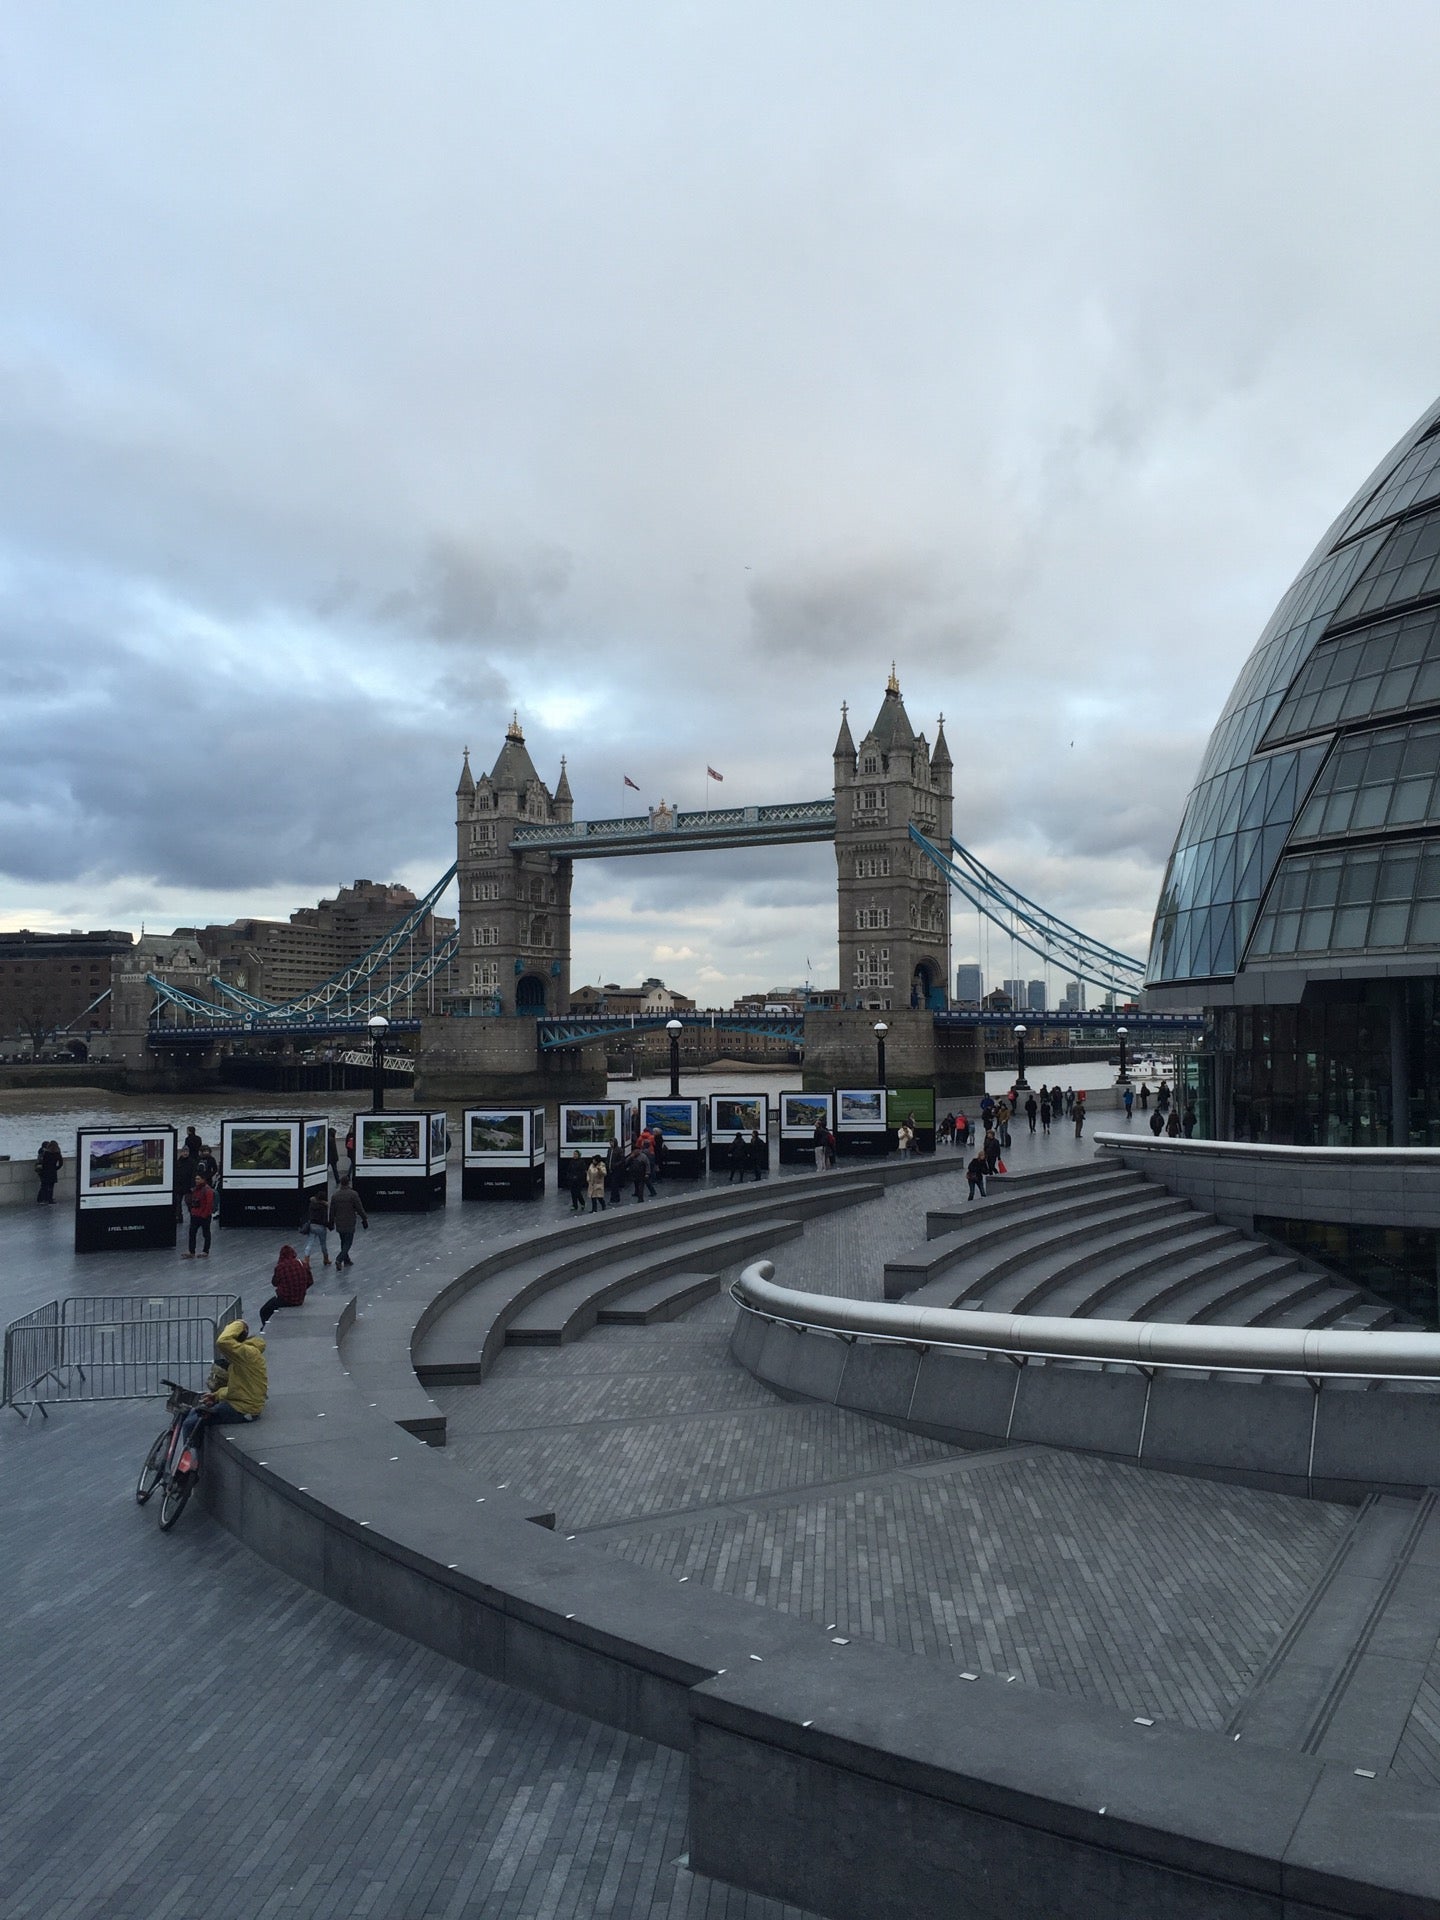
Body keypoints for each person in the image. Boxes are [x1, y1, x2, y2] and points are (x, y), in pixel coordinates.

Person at [180, 1318, 267, 1448]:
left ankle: (189, 1461)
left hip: (243, 1409)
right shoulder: (247, 1355)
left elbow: (223, 1341)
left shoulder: (247, 1354)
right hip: (244, 1404)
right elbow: (239, 1388)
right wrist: (216, 1395)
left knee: (190, 1423)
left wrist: (239, 1323)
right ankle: (194, 1451)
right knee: (192, 1413)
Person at [258, 1245, 313, 1326]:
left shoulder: (280, 1267)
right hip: (300, 1299)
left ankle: (265, 1328)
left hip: (285, 1300)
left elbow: (274, 1283)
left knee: (264, 1311)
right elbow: (310, 1281)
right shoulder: (302, 1264)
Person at [328, 1175, 369, 1269]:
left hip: (339, 1222)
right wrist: (364, 1218)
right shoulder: (353, 1194)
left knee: (343, 1241)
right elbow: (359, 1208)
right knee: (348, 1242)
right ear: (348, 1183)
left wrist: (331, 1223)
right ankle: (339, 1259)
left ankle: (347, 1260)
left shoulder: (335, 1196)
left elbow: (332, 1211)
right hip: (349, 1221)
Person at [182, 1171, 215, 1258]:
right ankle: (191, 1251)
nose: (196, 1180)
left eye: (198, 1179)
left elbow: (209, 1203)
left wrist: (204, 1214)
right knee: (192, 1233)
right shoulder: (196, 1189)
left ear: (203, 1180)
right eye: (196, 1178)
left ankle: (205, 1251)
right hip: (196, 1214)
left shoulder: (207, 1190)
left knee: (206, 1233)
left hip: (204, 1216)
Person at [301, 1186, 331, 1265]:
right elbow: (324, 1220)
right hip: (321, 1227)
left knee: (310, 1243)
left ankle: (306, 1260)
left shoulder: (311, 1204)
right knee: (323, 1243)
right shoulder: (323, 1207)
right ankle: (326, 1259)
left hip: (312, 1226)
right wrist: (330, 1225)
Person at [35, 1138, 63, 1204]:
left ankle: (41, 1199)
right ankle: (50, 1199)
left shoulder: (46, 1153)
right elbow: (61, 1163)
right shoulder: (57, 1153)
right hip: (53, 1172)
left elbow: (43, 1162)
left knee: (44, 1186)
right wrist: (56, 1168)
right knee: (51, 1187)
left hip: (45, 1171)